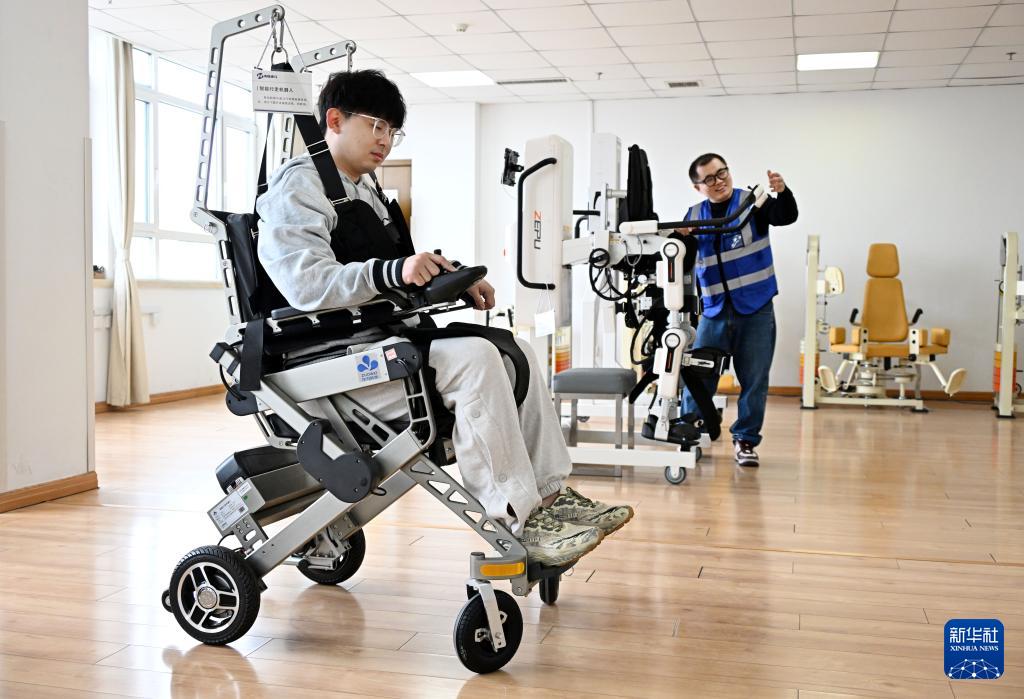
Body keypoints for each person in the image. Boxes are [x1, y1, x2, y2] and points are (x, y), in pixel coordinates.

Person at [255, 69, 632, 567]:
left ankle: (550, 496)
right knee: (474, 359)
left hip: (378, 344)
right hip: (328, 363)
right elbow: (306, 283)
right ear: (335, 120)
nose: (385, 140)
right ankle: (517, 517)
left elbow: (390, 274)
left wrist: (447, 275)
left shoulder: (365, 191)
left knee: (512, 351)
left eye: (393, 131)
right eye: (376, 125)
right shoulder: (300, 184)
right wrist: (393, 270)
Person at [678, 153, 798, 468]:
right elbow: (685, 260)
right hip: (714, 310)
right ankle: (690, 430)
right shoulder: (694, 215)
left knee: (754, 379)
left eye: (722, 173)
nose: (719, 181)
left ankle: (745, 440)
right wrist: (680, 238)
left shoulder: (752, 202)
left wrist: (782, 192)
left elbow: (785, 216)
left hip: (755, 308)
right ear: (697, 187)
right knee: (699, 375)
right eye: (709, 179)